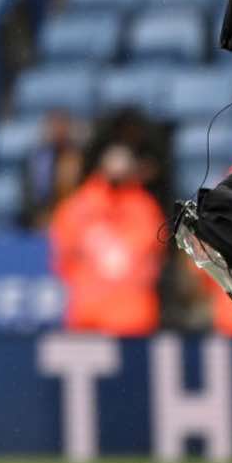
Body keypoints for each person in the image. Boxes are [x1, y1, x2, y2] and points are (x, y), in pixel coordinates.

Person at [48, 143, 166, 337]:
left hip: (132, 317)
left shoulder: (144, 208)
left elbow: (154, 260)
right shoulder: (77, 208)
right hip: (92, 315)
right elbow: (63, 259)